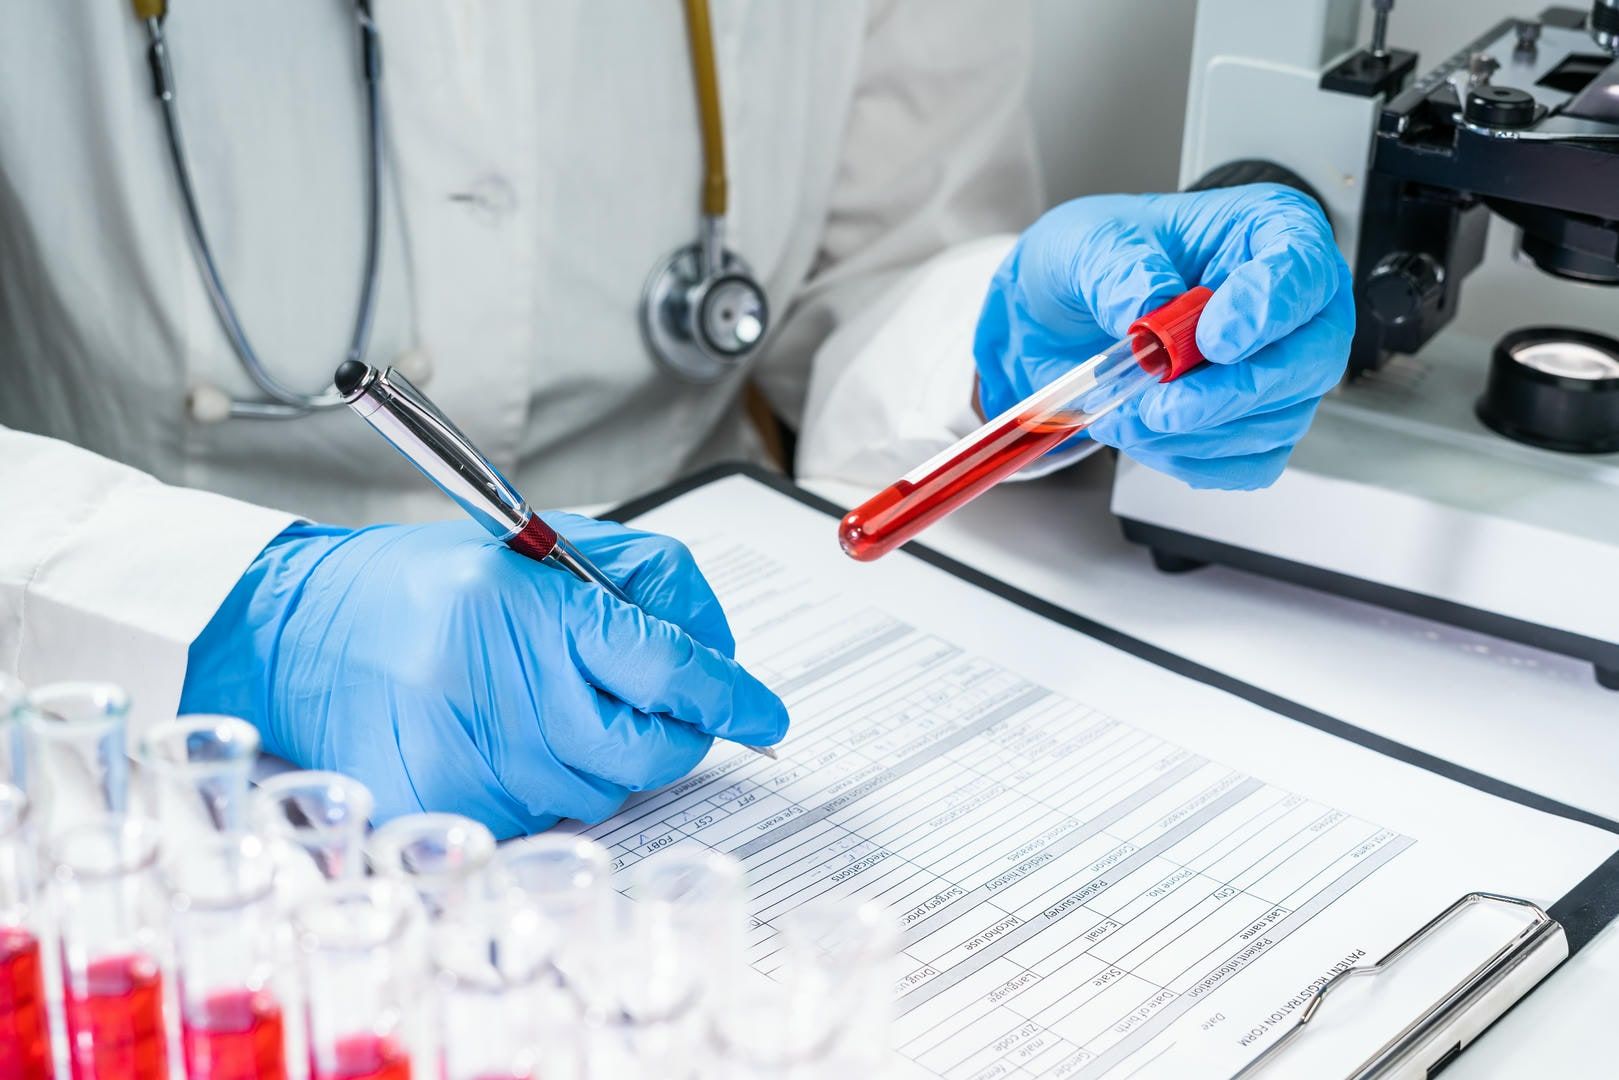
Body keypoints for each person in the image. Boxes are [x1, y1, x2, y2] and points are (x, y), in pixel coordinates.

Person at [0, 2, 1350, 838]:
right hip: (119, 694)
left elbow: (863, 278)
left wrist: (997, 348)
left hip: (687, 618)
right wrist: (248, 619)